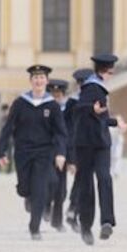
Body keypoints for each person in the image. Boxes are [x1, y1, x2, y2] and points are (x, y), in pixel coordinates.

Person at [0, 64, 69, 240]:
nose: (38, 80)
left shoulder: (52, 105)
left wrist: (60, 153)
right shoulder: (20, 103)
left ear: (46, 81)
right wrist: (1, 152)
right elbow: (8, 128)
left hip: (44, 152)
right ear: (31, 81)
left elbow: (60, 132)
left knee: (40, 188)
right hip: (23, 152)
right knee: (24, 188)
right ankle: (27, 196)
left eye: (42, 78)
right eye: (35, 78)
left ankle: (34, 227)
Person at [73, 53, 121, 246]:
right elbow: (81, 109)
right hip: (86, 144)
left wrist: (113, 121)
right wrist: (91, 110)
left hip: (99, 142)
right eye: (111, 71)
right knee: (94, 182)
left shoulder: (97, 88)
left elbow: (98, 116)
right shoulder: (91, 87)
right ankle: (93, 224)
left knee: (99, 179)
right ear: (107, 71)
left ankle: (102, 222)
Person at [45, 79, 76, 232]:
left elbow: (70, 137)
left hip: (61, 154)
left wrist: (71, 160)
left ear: (63, 96)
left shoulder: (69, 112)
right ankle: (44, 206)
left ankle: (57, 222)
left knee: (61, 191)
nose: (56, 98)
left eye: (58, 95)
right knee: (49, 184)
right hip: (44, 153)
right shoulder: (44, 110)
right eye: (53, 95)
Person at [64, 68, 90, 232]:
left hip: (92, 147)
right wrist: (71, 158)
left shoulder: (98, 99)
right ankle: (74, 210)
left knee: (83, 182)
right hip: (77, 147)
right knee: (82, 181)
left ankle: (74, 210)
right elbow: (68, 131)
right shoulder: (73, 103)